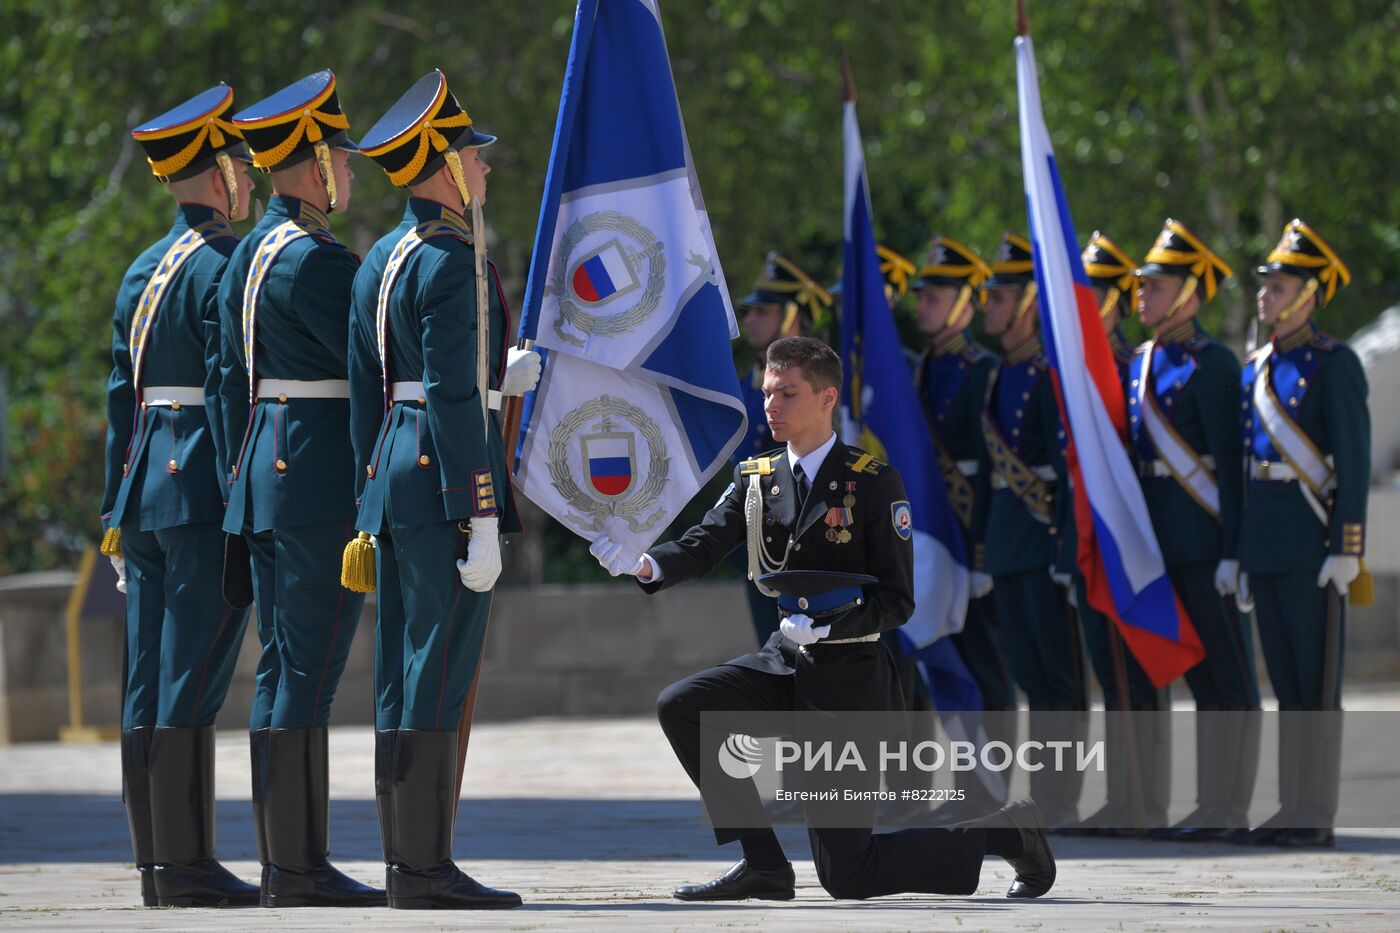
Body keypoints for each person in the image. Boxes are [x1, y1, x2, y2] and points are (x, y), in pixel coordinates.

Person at [589, 336, 1055, 902]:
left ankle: (1004, 832)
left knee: (847, 876)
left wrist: (834, 624)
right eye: (767, 393)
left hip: (851, 679)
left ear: (826, 398)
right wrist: (647, 563)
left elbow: (898, 600)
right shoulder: (756, 478)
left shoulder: (872, 480)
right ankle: (763, 864)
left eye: (787, 393)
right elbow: (708, 540)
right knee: (684, 704)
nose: (771, 406)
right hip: (784, 660)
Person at [345, 69, 537, 908]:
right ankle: (424, 868)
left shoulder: (380, 258)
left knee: (401, 672)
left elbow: (368, 394)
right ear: (442, 169)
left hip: (396, 476)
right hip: (444, 483)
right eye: (473, 155)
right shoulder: (455, 262)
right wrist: (482, 510)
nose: (485, 169)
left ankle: (405, 861)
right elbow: (454, 395)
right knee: (436, 673)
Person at [216, 70, 382, 906]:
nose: (349, 172)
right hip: (316, 483)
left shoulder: (251, 250)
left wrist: (233, 477)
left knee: (283, 671)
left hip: (264, 475)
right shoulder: (316, 261)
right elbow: (376, 362)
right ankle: (299, 866)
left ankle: (287, 862)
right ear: (315, 162)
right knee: (307, 671)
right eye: (342, 157)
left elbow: (222, 383)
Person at [101, 83, 260, 909]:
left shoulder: (141, 268)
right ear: (216, 174)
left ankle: (156, 862)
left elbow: (118, 395)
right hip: (199, 485)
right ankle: (189, 861)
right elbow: (230, 387)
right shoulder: (227, 264)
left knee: (149, 678)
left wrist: (111, 509)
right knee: (192, 675)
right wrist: (244, 489)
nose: (250, 178)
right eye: (240, 163)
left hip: (143, 488)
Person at [1233, 219, 1369, 848]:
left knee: (1316, 687)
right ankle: (1291, 806)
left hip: (1313, 544)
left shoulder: (1333, 364)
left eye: (1279, 285)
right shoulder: (1257, 367)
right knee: (1286, 685)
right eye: (1264, 284)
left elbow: (1354, 459)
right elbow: (1241, 467)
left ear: (1309, 294)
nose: (1265, 295)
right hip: (1266, 544)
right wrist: (1239, 553)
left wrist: (1347, 548)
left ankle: (1315, 813)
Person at [1131, 219, 1260, 842]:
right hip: (1160, 542)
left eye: (1156, 287)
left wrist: (1235, 549)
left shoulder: (1212, 365)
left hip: (1205, 540)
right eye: (1140, 286)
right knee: (1200, 680)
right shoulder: (1140, 363)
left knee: (1229, 680)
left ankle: (1229, 807)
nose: (1141, 296)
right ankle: (1209, 804)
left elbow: (1231, 469)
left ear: (1189, 293)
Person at [1057, 232, 1171, 836]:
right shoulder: (1079, 368)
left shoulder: (1126, 369)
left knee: (1136, 674)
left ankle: (1145, 801)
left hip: (1125, 540)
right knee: (1110, 675)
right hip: (1088, 539)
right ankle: (1125, 795)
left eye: (1091, 296)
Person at [975, 232, 1086, 827]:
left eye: (998, 298)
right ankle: (1042, 792)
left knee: (1057, 679)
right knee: (1028, 675)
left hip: (1044, 538)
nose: (988, 307)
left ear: (1026, 305)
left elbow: (1067, 472)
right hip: (1010, 542)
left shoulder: (1047, 374)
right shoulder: (1002, 374)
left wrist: (1066, 548)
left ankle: (1059, 796)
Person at [909, 235, 1016, 824]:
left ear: (965, 304)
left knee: (985, 671)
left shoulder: (984, 372)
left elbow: (995, 473)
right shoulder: (922, 370)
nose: (922, 305)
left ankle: (992, 790)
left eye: (936, 295)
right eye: (922, 295)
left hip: (969, 545)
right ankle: (964, 783)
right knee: (938, 668)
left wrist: (979, 556)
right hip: (929, 548)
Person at [729, 252, 832, 648]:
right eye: (749, 311)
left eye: (762, 312)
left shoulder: (819, 384)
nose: (750, 319)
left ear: (791, 317)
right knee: (772, 653)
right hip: (757, 539)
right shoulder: (745, 383)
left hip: (808, 538)